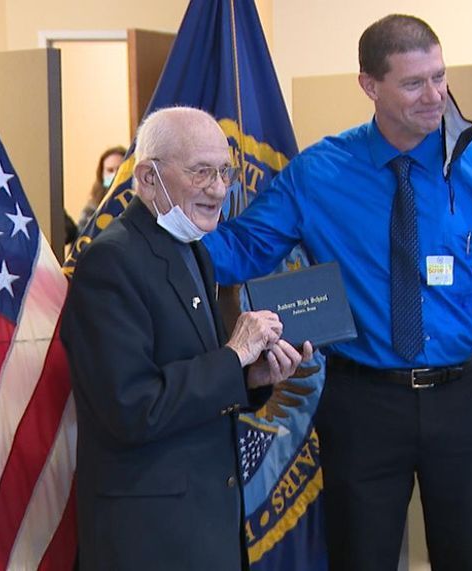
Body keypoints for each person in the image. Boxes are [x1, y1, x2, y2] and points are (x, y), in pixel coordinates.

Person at [202, 14, 472, 571]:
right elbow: (239, 251)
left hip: (466, 400)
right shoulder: (320, 173)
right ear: (369, 85)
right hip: (363, 404)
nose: (434, 96)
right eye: (414, 83)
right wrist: (158, 228)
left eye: (439, 77)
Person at [60, 106, 312, 570]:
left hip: (201, 527)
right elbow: (133, 408)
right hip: (148, 537)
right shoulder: (110, 263)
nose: (219, 189)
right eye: (201, 172)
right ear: (148, 178)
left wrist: (253, 377)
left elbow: (199, 373)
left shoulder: (193, 247)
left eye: (223, 171)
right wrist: (234, 355)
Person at [77, 145, 127, 231]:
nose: (115, 175)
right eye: (110, 170)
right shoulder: (91, 209)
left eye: (119, 169)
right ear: (101, 174)